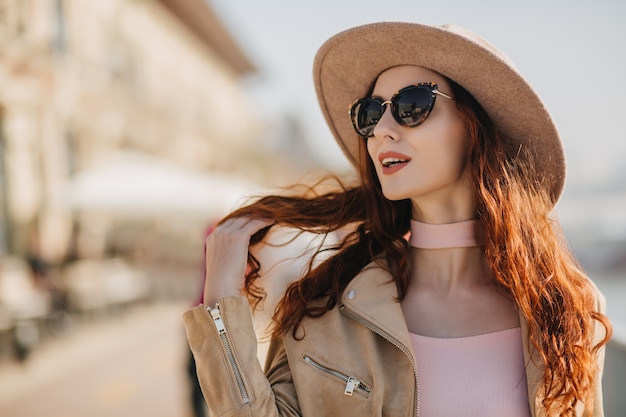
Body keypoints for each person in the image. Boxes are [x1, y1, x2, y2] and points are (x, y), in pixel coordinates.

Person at [183, 22, 612, 417]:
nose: (381, 130)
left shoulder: (566, 310)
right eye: (371, 113)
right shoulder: (325, 308)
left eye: (412, 104)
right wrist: (222, 300)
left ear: (474, 124)